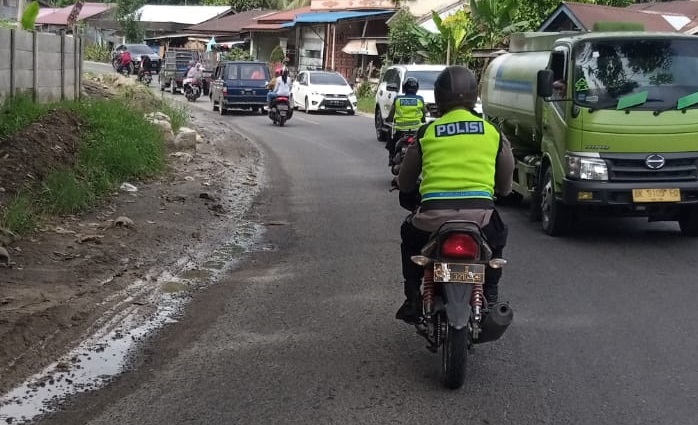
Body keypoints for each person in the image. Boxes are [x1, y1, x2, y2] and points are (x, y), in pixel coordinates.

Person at [395, 65, 515, 325]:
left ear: (438, 97)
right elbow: (505, 185)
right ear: (474, 95)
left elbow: (405, 182)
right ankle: (491, 293)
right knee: (497, 241)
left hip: (431, 219)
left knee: (409, 236)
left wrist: (406, 187)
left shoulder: (427, 132)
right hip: (480, 219)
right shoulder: (492, 132)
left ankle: (413, 296)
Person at [385, 77, 427, 166]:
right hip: (416, 130)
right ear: (416, 88)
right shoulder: (420, 99)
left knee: (390, 135)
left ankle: (391, 156)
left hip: (400, 129)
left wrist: (388, 119)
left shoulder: (398, 99)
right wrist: (423, 119)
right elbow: (424, 112)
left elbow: (392, 113)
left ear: (404, 88)